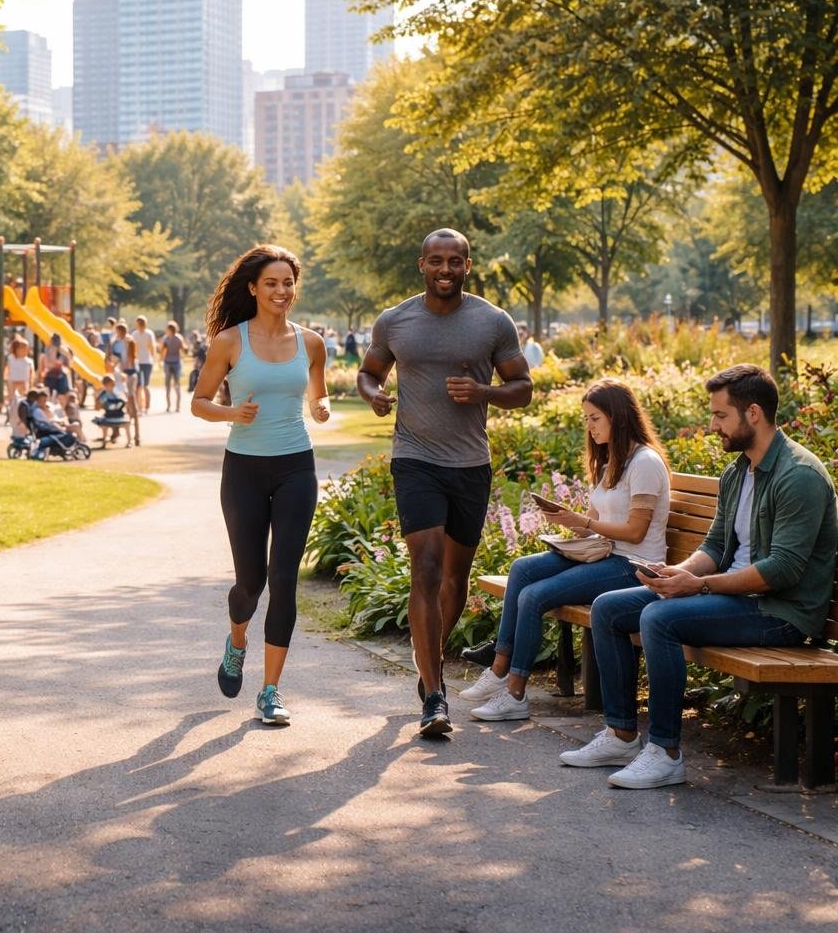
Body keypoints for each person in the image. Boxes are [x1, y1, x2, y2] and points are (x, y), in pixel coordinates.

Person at [566, 365, 838, 789]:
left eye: (719, 415)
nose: (712, 426)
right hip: (735, 598)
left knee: (659, 619)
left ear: (753, 414)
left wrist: (699, 585)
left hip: (779, 612)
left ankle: (665, 752)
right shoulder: (738, 472)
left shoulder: (798, 476)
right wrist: (678, 572)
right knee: (609, 608)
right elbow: (714, 546)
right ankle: (621, 735)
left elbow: (781, 571)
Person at [357, 228, 533, 738]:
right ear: (422, 265)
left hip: (470, 464)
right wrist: (375, 394)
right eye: (437, 261)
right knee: (426, 569)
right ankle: (435, 695)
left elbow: (523, 388)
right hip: (415, 459)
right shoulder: (395, 320)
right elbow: (369, 372)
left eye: (455, 261)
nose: (446, 270)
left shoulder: (491, 321)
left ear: (468, 267)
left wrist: (484, 391)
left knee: (455, 578)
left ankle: (427, 663)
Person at [460, 379, 671, 722]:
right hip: (604, 553)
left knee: (534, 595)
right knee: (522, 569)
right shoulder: (611, 462)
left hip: (632, 564)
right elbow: (597, 522)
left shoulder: (644, 462)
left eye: (595, 419)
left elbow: (635, 531)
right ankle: (499, 668)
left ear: (618, 417)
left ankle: (514, 693)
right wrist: (568, 521)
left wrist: (585, 524)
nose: (588, 427)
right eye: (586, 419)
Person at [192, 244, 332, 727]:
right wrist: (233, 413)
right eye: (271, 283)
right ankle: (236, 642)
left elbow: (318, 390)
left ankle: (270, 691)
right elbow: (200, 402)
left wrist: (321, 407)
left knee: (284, 579)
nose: (281, 291)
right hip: (245, 470)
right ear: (252, 288)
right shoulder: (230, 341)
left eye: (288, 283)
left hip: (296, 466)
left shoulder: (312, 342)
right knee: (250, 583)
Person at [131, 316, 158, 411]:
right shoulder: (149, 333)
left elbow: (133, 348)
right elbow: (152, 348)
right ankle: (146, 406)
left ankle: (140, 406)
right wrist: (154, 359)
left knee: (139, 385)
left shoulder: (135, 334)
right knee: (145, 385)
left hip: (140, 361)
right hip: (147, 361)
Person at [40, 333, 73, 407]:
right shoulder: (48, 350)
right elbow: (48, 364)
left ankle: (63, 409)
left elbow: (68, 365)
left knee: (63, 395)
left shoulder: (64, 351)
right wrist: (53, 351)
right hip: (51, 375)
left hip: (61, 375)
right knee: (49, 395)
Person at [159, 321, 186, 412]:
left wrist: (160, 360)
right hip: (174, 362)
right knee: (172, 384)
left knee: (171, 385)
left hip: (171, 363)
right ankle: (172, 406)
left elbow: (161, 350)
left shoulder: (166, 338)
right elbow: (183, 349)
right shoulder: (178, 338)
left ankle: (172, 406)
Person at [5, 335, 34, 407]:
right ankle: (10, 412)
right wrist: (6, 378)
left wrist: (31, 383)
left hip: (24, 382)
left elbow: (31, 373)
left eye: (26, 348)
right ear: (16, 349)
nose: (25, 350)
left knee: (23, 397)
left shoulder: (29, 361)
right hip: (13, 381)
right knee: (11, 398)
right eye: (22, 348)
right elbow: (7, 369)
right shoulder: (11, 358)